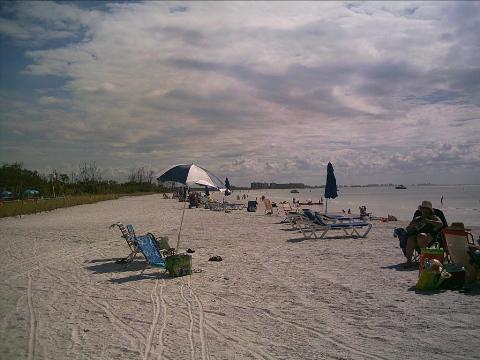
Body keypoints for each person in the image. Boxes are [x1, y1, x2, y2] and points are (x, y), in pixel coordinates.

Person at [404, 200, 443, 265]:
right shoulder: (418, 218)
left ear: (429, 210)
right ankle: (408, 261)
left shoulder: (433, 217)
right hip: (418, 238)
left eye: (426, 209)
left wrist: (429, 221)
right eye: (423, 209)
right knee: (411, 239)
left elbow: (441, 224)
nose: (424, 210)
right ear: (421, 210)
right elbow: (408, 228)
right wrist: (411, 226)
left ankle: (425, 260)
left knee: (421, 236)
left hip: (431, 239)